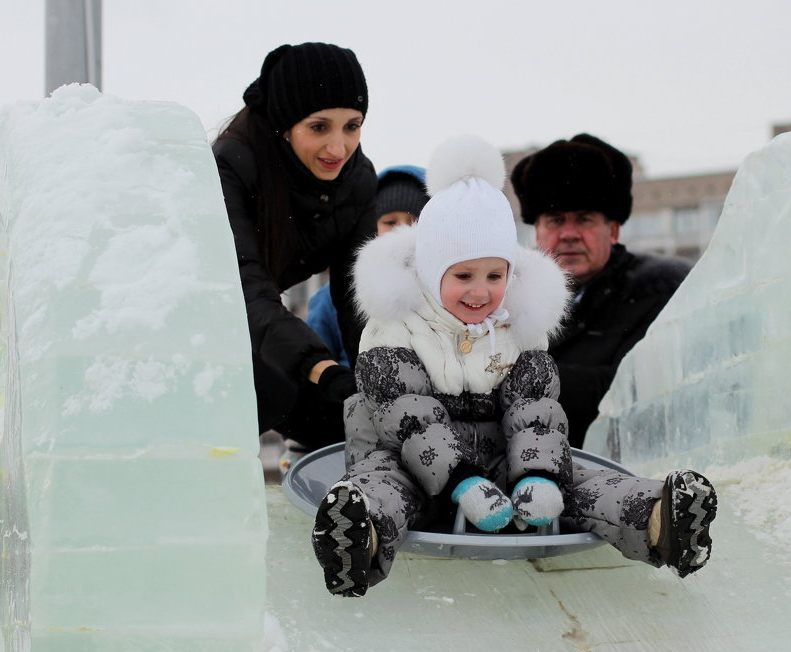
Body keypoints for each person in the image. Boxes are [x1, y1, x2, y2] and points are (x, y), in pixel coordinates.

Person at [307, 136, 716, 597]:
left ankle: (662, 519)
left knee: (576, 477)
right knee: (386, 486)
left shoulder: (520, 324)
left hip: (498, 458)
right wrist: (461, 482)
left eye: (495, 276)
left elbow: (535, 410)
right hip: (405, 453)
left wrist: (537, 475)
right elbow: (408, 415)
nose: (480, 292)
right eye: (463, 276)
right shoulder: (394, 324)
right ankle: (358, 537)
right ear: (428, 268)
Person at [213, 42, 376, 452]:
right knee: (268, 386)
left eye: (352, 126)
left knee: (347, 417)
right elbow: (244, 288)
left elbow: (357, 297)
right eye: (319, 127)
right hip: (198, 319)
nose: (338, 148)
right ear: (285, 125)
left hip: (262, 318)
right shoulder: (231, 166)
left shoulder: (357, 181)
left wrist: (378, 378)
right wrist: (320, 367)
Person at [511, 134, 691, 447]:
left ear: (613, 230)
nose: (569, 234)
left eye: (584, 219)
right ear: (536, 231)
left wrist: (510, 375)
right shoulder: (500, 298)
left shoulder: (661, 289)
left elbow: (629, 393)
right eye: (555, 220)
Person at [303, 165, 430, 368]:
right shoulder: (333, 297)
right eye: (390, 222)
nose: (401, 231)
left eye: (413, 221)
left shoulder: (445, 291)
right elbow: (317, 362)